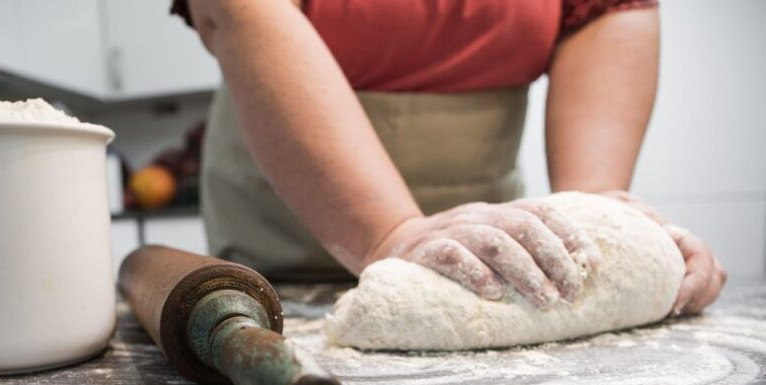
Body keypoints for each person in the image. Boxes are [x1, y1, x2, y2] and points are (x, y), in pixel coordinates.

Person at [171, 0, 725, 315]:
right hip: (281, 275)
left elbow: (609, 12)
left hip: (487, 278)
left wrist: (606, 234)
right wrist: (388, 234)